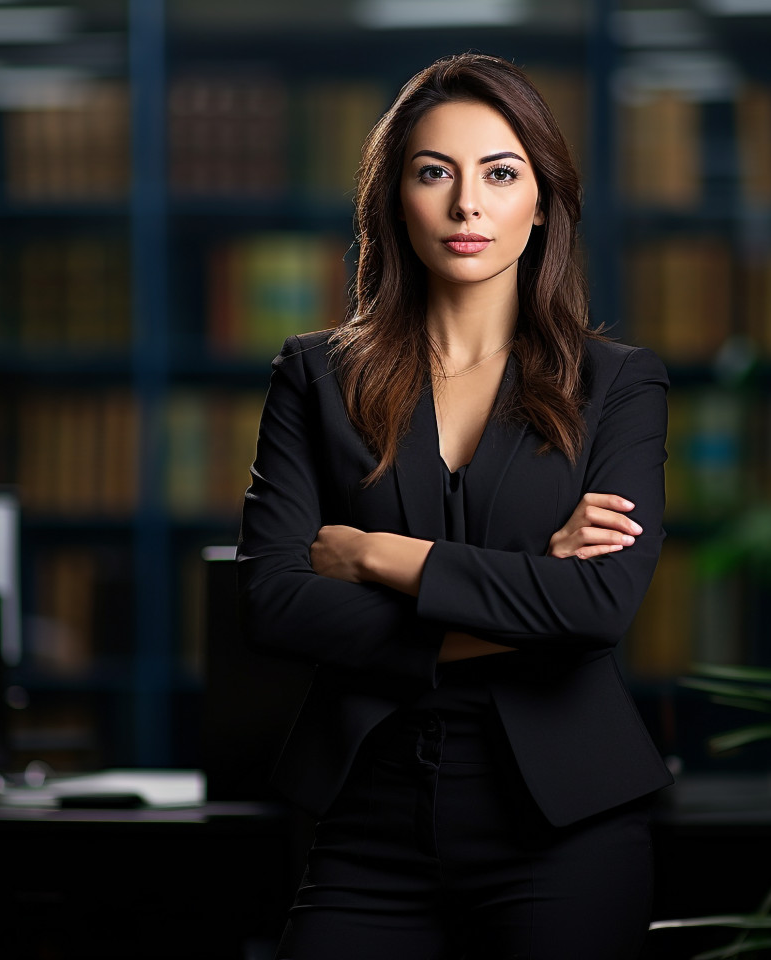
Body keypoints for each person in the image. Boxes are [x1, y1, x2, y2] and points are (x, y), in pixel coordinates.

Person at [237, 52, 673, 960]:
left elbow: (598, 608)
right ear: (397, 197)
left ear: (542, 201)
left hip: (566, 824)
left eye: (500, 173)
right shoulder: (315, 377)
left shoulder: (617, 386)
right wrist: (525, 594)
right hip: (368, 814)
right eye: (435, 172)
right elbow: (272, 602)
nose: (466, 204)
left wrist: (374, 559)